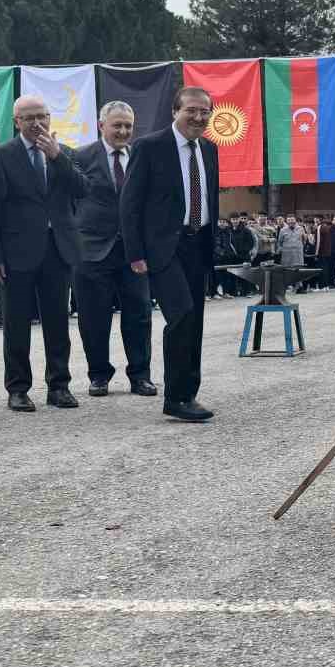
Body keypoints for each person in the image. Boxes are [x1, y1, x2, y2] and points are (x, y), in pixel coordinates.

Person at [0, 93, 88, 412]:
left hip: (58, 249)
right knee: (16, 324)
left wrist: (57, 157)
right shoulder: (2, 154)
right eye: (29, 118)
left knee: (58, 322)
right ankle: (18, 388)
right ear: (17, 122)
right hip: (17, 252)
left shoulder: (63, 152)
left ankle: (59, 386)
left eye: (42, 116)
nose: (37, 123)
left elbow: (83, 188)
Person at [121, 87, 221, 422]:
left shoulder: (209, 149)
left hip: (198, 244)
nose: (198, 117)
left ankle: (189, 392)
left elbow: (209, 199)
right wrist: (135, 252)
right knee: (182, 315)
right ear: (175, 111)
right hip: (163, 248)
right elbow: (130, 203)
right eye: (191, 110)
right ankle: (176, 398)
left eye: (205, 111)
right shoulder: (149, 147)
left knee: (195, 321)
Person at [72, 101, 157, 399]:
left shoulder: (140, 157)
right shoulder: (81, 157)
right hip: (91, 251)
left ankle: (140, 376)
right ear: (101, 126)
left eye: (128, 126)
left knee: (140, 314)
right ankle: (98, 375)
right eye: (117, 125)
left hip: (134, 252)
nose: (123, 131)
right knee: (93, 318)